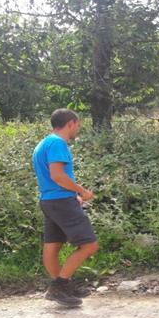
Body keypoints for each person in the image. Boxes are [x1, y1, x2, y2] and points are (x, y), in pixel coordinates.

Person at [32, 109, 99, 306]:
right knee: (89, 245)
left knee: (52, 246)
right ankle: (59, 287)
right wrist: (81, 192)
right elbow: (58, 175)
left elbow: (51, 179)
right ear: (71, 123)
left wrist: (71, 195)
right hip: (61, 202)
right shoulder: (58, 143)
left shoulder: (43, 143)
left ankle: (61, 286)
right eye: (77, 125)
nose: (77, 129)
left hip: (50, 201)